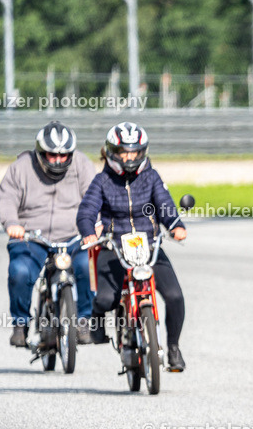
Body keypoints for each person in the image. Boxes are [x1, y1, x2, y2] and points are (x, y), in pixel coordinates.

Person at [77, 121, 188, 372]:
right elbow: (86, 211)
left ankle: (173, 347)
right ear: (111, 152)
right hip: (113, 247)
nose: (129, 157)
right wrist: (87, 233)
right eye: (124, 152)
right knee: (106, 299)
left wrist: (176, 226)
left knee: (174, 295)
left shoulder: (151, 176)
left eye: (134, 152)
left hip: (149, 247)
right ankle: (94, 322)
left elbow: (166, 205)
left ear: (142, 152)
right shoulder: (102, 180)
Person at [0, 121, 96, 347]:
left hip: (74, 235)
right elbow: (7, 198)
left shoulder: (81, 164)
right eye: (52, 155)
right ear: (40, 153)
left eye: (64, 155)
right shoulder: (22, 167)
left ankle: (84, 320)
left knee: (87, 267)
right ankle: (20, 324)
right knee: (20, 272)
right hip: (32, 237)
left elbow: (95, 196)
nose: (59, 160)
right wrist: (12, 223)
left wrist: (96, 223)